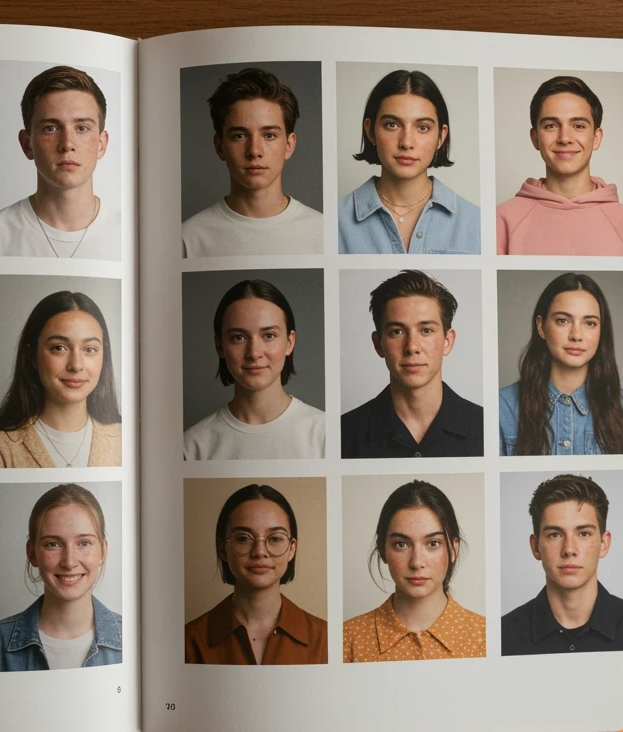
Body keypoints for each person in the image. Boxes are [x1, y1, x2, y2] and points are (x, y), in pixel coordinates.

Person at [181, 67, 323, 257]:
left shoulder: (324, 233)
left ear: (289, 145)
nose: (254, 151)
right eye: (239, 136)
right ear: (220, 146)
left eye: (269, 135)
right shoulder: (188, 239)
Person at [341, 270, 483, 458]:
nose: (412, 347)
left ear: (447, 341)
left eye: (426, 330)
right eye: (396, 332)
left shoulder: (486, 427)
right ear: (378, 344)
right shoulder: (343, 433)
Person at [338, 69, 479, 254]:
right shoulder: (335, 220)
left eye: (422, 127)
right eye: (392, 124)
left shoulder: (476, 221)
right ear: (370, 130)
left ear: (441, 136)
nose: (406, 142)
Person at [343, 480, 485, 662]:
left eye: (433, 543)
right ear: (382, 549)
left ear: (454, 549)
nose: (417, 562)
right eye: (401, 544)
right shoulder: (347, 639)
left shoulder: (486, 637)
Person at [185, 483, 327, 665]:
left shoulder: (325, 639)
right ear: (222, 549)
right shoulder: (188, 641)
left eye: (275, 538)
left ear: (292, 549)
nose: (260, 552)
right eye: (243, 538)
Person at [183, 279, 325, 460]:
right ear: (220, 346)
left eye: (269, 335)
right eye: (239, 337)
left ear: (289, 343)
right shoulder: (192, 446)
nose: (254, 353)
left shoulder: (326, 434)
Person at [500, 273, 623, 455]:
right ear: (541, 327)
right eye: (563, 321)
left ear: (601, 331)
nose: (576, 335)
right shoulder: (502, 407)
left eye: (589, 323)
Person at [501, 474, 623, 654]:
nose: (569, 549)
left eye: (583, 534)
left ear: (604, 544)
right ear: (535, 546)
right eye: (555, 535)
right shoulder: (503, 635)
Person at [497, 75, 623, 256]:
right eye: (551, 126)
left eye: (578, 126)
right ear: (535, 138)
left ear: (596, 137)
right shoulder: (501, 219)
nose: (565, 138)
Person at [0, 65, 120, 260]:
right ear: (27, 144)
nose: (67, 144)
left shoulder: (127, 233)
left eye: (82, 128)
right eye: (50, 128)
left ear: (101, 144)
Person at [0, 484, 122, 670]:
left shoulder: (132, 637)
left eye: (84, 543)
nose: (69, 562)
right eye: (53, 544)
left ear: (103, 551)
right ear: (32, 553)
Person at [0, 290, 122, 468]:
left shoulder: (126, 439)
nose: (76, 365)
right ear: (32, 355)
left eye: (89, 349)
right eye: (59, 348)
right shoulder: (0, 448)